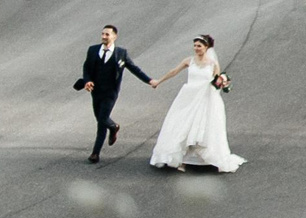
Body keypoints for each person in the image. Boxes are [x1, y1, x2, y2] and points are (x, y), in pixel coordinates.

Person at [147, 34, 244, 172]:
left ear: (206, 47)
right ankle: (181, 159)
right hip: (188, 97)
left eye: (199, 46)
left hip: (205, 98)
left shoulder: (212, 63)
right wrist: (159, 81)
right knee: (183, 126)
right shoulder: (189, 61)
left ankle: (205, 159)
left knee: (201, 128)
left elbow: (216, 82)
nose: (196, 48)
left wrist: (222, 82)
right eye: (195, 45)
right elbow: (174, 71)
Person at [75, 24, 151, 164]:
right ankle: (113, 126)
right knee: (100, 118)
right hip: (96, 91)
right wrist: (88, 81)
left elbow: (134, 69)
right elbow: (86, 67)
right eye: (103, 34)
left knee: (102, 119)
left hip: (110, 92)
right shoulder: (93, 50)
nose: (104, 37)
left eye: (107, 34)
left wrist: (149, 80)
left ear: (114, 36)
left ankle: (95, 153)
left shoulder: (121, 53)